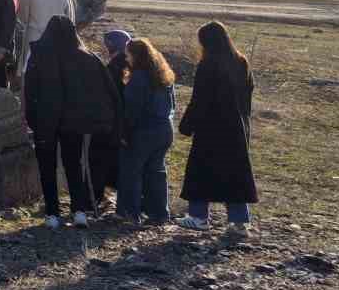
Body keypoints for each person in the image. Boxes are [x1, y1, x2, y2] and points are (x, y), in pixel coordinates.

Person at [22, 15, 122, 229]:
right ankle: (79, 211)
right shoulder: (86, 57)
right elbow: (103, 89)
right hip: (75, 122)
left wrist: (32, 119)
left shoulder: (38, 54)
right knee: (74, 166)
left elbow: (29, 90)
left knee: (47, 168)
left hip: (45, 120)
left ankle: (52, 214)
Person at [177, 20, 258, 234]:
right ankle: (239, 222)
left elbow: (200, 99)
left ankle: (198, 217)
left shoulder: (208, 64)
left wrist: (187, 125)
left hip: (211, 129)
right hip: (237, 129)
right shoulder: (241, 62)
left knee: (200, 172)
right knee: (235, 175)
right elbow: (248, 95)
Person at [117, 36, 177, 226]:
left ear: (136, 55)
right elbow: (173, 105)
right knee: (157, 172)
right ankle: (159, 213)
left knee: (132, 172)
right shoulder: (164, 76)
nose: (127, 59)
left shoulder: (138, 78)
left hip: (144, 131)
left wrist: (125, 133)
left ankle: (130, 213)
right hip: (165, 129)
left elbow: (132, 110)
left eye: (128, 55)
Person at [87, 29, 132, 212]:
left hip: (110, 123)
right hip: (125, 123)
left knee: (99, 162)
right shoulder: (132, 65)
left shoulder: (112, 68)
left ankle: (96, 200)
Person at [18, 0, 75, 76]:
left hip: (33, 38)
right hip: (57, 39)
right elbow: (70, 20)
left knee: (31, 71)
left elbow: (22, 17)